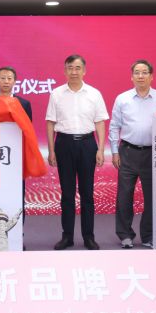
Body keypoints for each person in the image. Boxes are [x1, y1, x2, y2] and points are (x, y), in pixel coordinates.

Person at [45, 54, 109, 251]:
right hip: (63, 144)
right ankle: (67, 236)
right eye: (70, 68)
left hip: (87, 144)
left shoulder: (94, 94)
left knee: (87, 193)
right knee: (67, 193)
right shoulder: (56, 93)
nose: (74, 72)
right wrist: (51, 150)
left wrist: (100, 149)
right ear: (65, 71)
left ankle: (89, 237)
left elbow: (100, 122)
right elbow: (50, 123)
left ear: (84, 71)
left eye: (77, 68)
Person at [109, 59, 156, 249]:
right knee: (124, 196)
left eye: (144, 72)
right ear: (132, 77)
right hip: (127, 152)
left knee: (152, 197)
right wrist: (114, 152)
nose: (140, 76)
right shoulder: (122, 99)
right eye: (137, 72)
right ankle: (125, 235)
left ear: (151, 76)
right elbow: (114, 126)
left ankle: (148, 235)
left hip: (153, 154)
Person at [0, 66, 32, 226]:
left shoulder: (23, 104)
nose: (6, 81)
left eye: (9, 78)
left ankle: (17, 232)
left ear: (15, 81)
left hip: (16, 156)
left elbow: (28, 131)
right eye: (3, 78)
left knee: (16, 192)